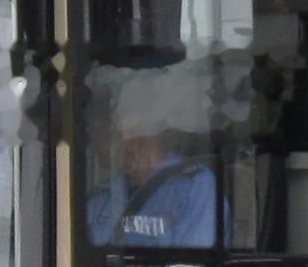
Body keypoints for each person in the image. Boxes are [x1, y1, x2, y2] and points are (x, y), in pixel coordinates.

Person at [86, 67, 219, 247]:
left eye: (103, 124)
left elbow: (195, 262)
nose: (93, 138)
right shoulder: (100, 202)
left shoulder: (195, 188)